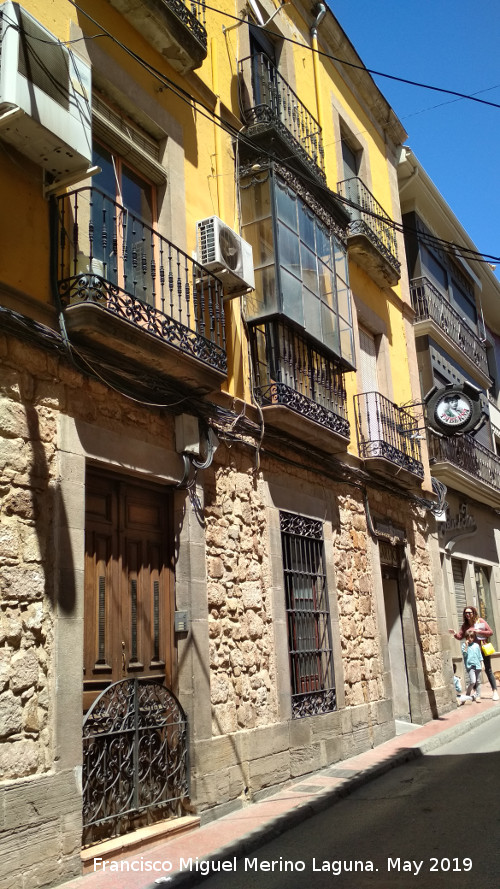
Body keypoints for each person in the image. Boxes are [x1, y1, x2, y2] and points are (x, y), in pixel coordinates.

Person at [449, 605, 499, 701]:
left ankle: (495, 691)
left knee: (488, 670)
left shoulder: (480, 621)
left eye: (469, 612)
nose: (467, 614)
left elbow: (490, 632)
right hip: (472, 653)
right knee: (474, 672)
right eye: (466, 613)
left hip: (483, 650)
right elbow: (460, 637)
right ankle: (476, 693)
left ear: (473, 613)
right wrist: (454, 633)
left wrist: (479, 631)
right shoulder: (465, 626)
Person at [461, 629, 482, 701]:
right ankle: (468, 693)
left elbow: (480, 656)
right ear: (466, 638)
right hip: (470, 666)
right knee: (473, 681)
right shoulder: (464, 645)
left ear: (473, 637)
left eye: (471, 637)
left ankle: (478, 696)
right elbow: (464, 654)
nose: (470, 639)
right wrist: (466, 646)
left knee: (478, 681)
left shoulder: (476, 645)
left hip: (478, 666)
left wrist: (482, 664)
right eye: (468, 637)